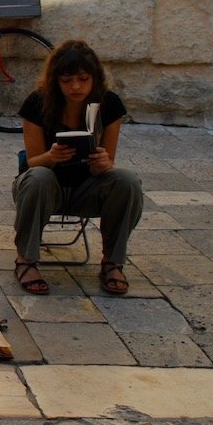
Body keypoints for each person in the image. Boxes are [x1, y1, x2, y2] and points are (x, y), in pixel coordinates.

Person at [12, 39, 142, 296]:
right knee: (39, 176)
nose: (75, 87)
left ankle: (112, 262)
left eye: (83, 79)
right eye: (67, 80)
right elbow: (32, 162)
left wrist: (102, 163)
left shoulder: (109, 104)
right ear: (55, 80)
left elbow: (109, 162)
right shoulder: (37, 103)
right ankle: (25, 260)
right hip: (44, 189)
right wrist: (52, 156)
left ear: (95, 78)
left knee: (127, 181)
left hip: (87, 187)